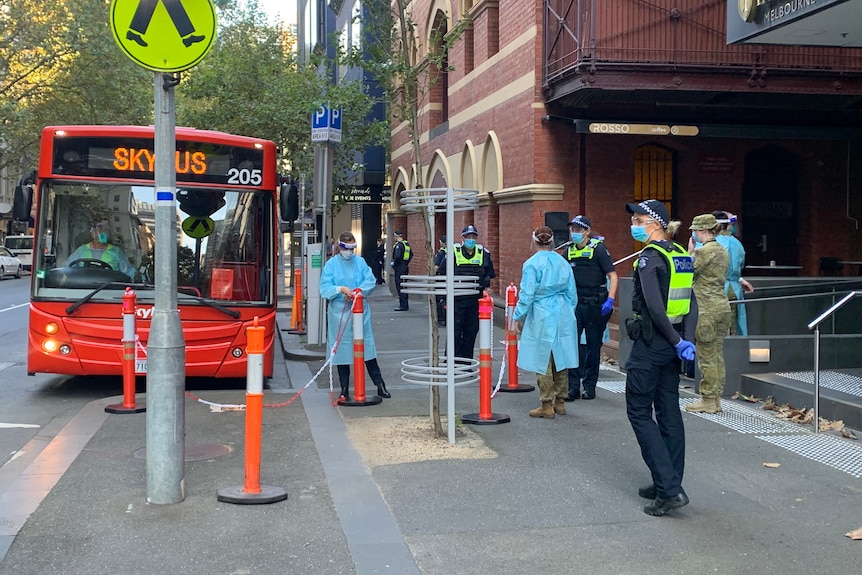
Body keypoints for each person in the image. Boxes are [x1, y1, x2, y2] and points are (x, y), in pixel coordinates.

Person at [623, 199, 695, 517]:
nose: (634, 226)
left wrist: (675, 339)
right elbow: (688, 302)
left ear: (654, 223)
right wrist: (683, 340)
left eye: (638, 220)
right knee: (668, 412)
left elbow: (653, 306)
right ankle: (668, 481)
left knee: (639, 411)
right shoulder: (679, 254)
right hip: (672, 344)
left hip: (653, 343)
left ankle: (668, 489)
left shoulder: (650, 257)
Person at [513, 226, 579, 419]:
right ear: (552, 241)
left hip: (542, 311)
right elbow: (572, 293)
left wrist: (518, 316)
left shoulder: (532, 264)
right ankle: (561, 401)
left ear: (534, 241)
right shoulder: (563, 262)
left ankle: (546, 403)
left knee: (542, 358)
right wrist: (568, 311)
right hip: (563, 310)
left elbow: (527, 294)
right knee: (562, 356)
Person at [320, 231, 391, 401]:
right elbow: (324, 287)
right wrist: (340, 290)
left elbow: (370, 280)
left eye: (353, 248)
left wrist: (358, 292)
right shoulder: (331, 265)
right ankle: (344, 389)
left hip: (360, 312)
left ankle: (380, 385)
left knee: (367, 349)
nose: (349, 251)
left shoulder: (360, 262)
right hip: (340, 312)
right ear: (339, 246)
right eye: (346, 248)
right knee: (342, 352)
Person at [564, 215, 619, 401]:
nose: (575, 233)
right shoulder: (568, 250)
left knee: (593, 346)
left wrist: (610, 300)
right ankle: (572, 387)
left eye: (579, 230)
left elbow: (613, 276)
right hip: (575, 303)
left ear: (587, 231)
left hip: (596, 303)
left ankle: (589, 386)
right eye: (573, 230)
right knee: (572, 345)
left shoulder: (599, 250)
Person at [685, 214, 733, 414]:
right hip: (722, 306)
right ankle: (717, 398)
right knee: (718, 354)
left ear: (702, 231)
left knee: (706, 355)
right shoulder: (722, 250)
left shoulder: (704, 252)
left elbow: (688, 271)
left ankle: (708, 399)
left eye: (695, 231)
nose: (694, 235)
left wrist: (690, 253)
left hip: (705, 308)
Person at [437, 224, 495, 359]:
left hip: (475, 300)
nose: (471, 239)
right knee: (455, 333)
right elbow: (442, 274)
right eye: (468, 236)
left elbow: (489, 275)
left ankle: (466, 363)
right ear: (462, 238)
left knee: (471, 332)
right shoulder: (453, 253)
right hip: (457, 299)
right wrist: (443, 299)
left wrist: (487, 288)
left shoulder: (483, 254)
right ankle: (452, 362)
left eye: (473, 236)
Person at [712, 211, 754, 336]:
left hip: (716, 289)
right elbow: (739, 265)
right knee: (733, 326)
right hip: (734, 290)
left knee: (717, 329)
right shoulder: (737, 243)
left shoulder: (710, 243)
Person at [64, 220, 136, 279]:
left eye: (106, 230)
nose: (103, 233)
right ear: (92, 233)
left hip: (110, 291)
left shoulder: (116, 252)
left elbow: (129, 274)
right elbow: (66, 271)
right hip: (82, 292)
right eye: (100, 229)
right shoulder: (81, 250)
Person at [390, 231, 412, 310]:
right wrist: (405, 263)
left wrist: (394, 264)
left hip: (399, 268)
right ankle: (405, 304)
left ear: (396, 236)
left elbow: (397, 256)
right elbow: (411, 255)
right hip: (405, 267)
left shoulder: (399, 245)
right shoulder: (406, 244)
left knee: (400, 286)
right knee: (404, 286)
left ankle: (403, 305)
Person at [433, 236, 447, 326]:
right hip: (449, 278)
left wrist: (432, 276)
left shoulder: (441, 252)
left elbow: (436, 267)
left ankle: (441, 319)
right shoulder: (453, 252)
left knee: (439, 300)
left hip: (440, 278)